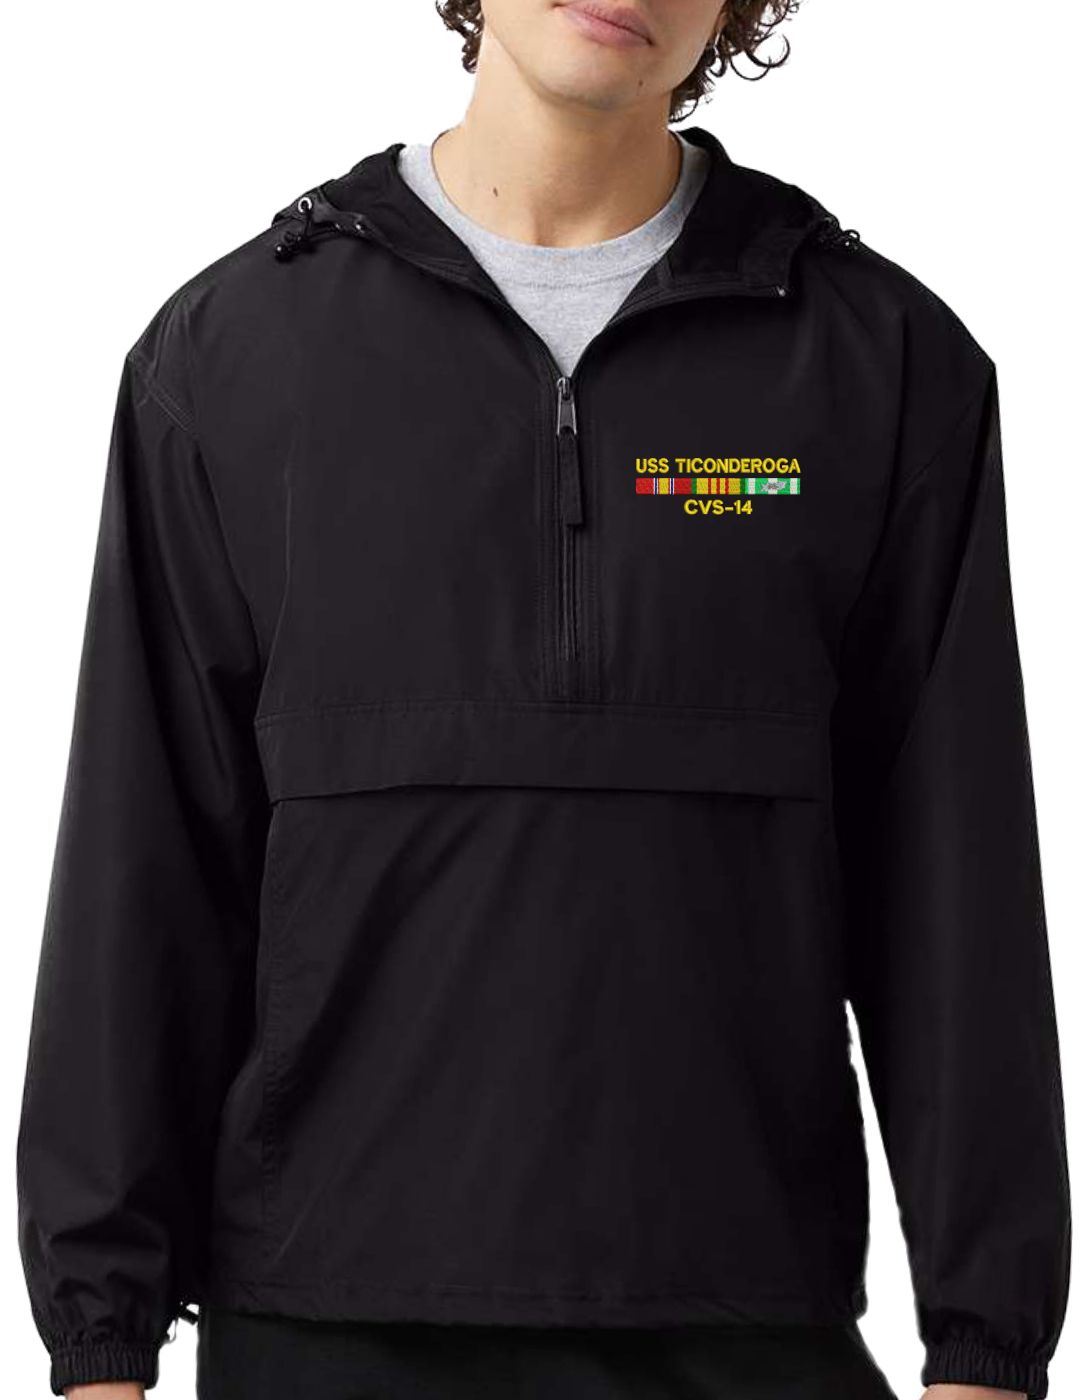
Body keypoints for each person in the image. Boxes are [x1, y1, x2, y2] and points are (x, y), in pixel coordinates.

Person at [16, 2, 1070, 1398]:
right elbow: (142, 860)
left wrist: (986, 1343)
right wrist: (99, 1339)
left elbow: (953, 876)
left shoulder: (882, 362)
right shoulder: (232, 354)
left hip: (741, 1323)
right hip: (325, 1328)